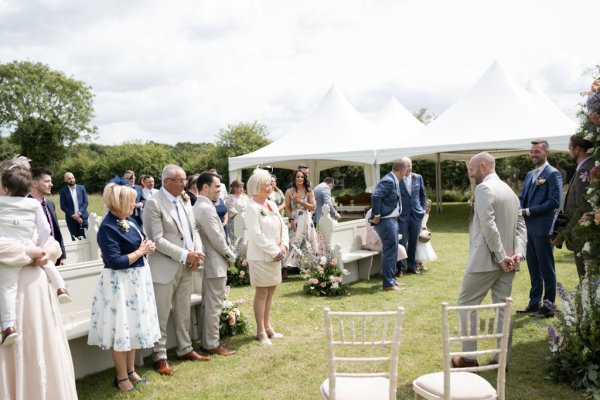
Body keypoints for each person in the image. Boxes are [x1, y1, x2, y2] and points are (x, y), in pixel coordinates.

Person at [0, 162, 78, 400]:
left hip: (36, 291)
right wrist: (31, 253)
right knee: (14, 351)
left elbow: (52, 241)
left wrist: (47, 253)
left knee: (41, 346)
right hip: (12, 289)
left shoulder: (28, 209)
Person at [451, 152, 526, 369]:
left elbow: (488, 225)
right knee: (503, 307)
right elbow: (521, 225)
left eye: (472, 169)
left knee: (466, 304)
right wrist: (518, 253)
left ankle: (468, 357)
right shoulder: (510, 191)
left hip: (488, 260)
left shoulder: (484, 188)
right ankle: (502, 357)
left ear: (483, 166)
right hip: (510, 261)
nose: (471, 174)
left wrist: (501, 256)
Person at [87, 183, 160, 392]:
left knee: (133, 326)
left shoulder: (129, 221)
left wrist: (147, 247)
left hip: (136, 282)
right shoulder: (108, 227)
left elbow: (140, 243)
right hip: (119, 286)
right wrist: (140, 251)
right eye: (130, 201)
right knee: (122, 329)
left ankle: (130, 370)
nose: (134, 205)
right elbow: (115, 261)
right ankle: (120, 377)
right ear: (119, 203)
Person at [142, 164, 208, 376]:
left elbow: (193, 229)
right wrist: (184, 254)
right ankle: (160, 355)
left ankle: (185, 348)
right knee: (161, 314)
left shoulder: (184, 199)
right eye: (180, 180)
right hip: (164, 266)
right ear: (166, 182)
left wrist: (196, 252)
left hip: (187, 264)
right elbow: (157, 239)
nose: (184, 184)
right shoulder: (153, 203)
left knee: (183, 310)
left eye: (185, 180)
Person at [193, 172, 237, 356]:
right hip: (214, 261)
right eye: (217, 187)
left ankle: (208, 341)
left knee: (208, 304)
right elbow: (217, 238)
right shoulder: (205, 208)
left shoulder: (200, 206)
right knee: (214, 305)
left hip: (210, 261)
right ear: (205, 187)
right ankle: (211, 344)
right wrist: (230, 255)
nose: (220, 190)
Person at [517, 140, 562, 318]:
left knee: (546, 268)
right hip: (528, 228)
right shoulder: (529, 175)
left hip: (543, 228)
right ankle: (534, 303)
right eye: (531, 151)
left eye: (537, 151)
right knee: (533, 268)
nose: (533, 154)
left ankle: (549, 306)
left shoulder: (553, 174)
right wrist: (516, 209)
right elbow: (522, 197)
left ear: (546, 153)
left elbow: (554, 202)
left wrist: (528, 211)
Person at [245, 169, 289, 346]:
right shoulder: (251, 207)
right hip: (261, 256)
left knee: (271, 292)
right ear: (257, 186)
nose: (270, 186)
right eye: (267, 184)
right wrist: (274, 250)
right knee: (262, 292)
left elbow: (283, 226)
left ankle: (268, 326)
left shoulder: (271, 204)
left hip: (276, 254)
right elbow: (256, 235)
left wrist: (284, 245)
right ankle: (260, 331)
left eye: (271, 184)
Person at [553, 135, 596, 278]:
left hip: (584, 237)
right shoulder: (585, 167)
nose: (569, 151)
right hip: (582, 235)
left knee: (587, 282)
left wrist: (563, 234)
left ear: (578, 149)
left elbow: (582, 208)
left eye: (570, 148)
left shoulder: (586, 170)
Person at [370, 159, 407, 292]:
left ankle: (392, 282)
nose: (407, 172)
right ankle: (388, 284)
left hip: (391, 220)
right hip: (386, 221)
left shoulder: (393, 180)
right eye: (406, 170)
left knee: (393, 250)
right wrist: (377, 215)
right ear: (402, 170)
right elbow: (376, 196)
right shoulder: (389, 180)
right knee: (390, 252)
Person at [29, 167, 67, 265]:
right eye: (47, 181)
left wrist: (62, 255)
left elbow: (56, 230)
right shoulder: (25, 204)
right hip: (37, 259)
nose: (51, 184)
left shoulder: (50, 204)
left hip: (55, 255)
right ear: (34, 183)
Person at [283, 169, 317, 272]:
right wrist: (291, 219)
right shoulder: (289, 191)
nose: (300, 179)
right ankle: (286, 267)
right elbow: (287, 207)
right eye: (298, 177)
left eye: (302, 177)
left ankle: (309, 265)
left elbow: (313, 207)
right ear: (294, 178)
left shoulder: (309, 191)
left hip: (306, 219)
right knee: (293, 240)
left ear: (304, 178)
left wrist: (301, 201)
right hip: (295, 219)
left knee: (307, 241)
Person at [398, 157, 427, 275]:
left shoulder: (418, 177)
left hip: (416, 214)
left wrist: (422, 209)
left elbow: (423, 195)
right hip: (402, 215)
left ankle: (411, 266)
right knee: (402, 241)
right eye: (405, 166)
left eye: (409, 166)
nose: (408, 168)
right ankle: (400, 268)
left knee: (414, 241)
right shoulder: (397, 179)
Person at [59, 171, 89, 240]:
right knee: (75, 239)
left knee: (86, 238)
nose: (71, 180)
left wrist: (79, 213)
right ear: (65, 180)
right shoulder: (63, 191)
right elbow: (63, 206)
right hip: (71, 219)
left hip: (83, 218)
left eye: (72, 178)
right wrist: (73, 215)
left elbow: (86, 202)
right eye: (69, 178)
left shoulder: (81, 188)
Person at [415, 199, 438, 270]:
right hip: (419, 232)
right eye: (426, 206)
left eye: (429, 207)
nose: (427, 208)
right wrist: (424, 230)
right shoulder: (420, 214)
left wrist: (427, 230)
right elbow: (420, 224)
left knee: (424, 248)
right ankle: (416, 265)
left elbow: (424, 224)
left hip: (424, 231)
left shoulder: (427, 214)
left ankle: (420, 264)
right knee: (418, 249)